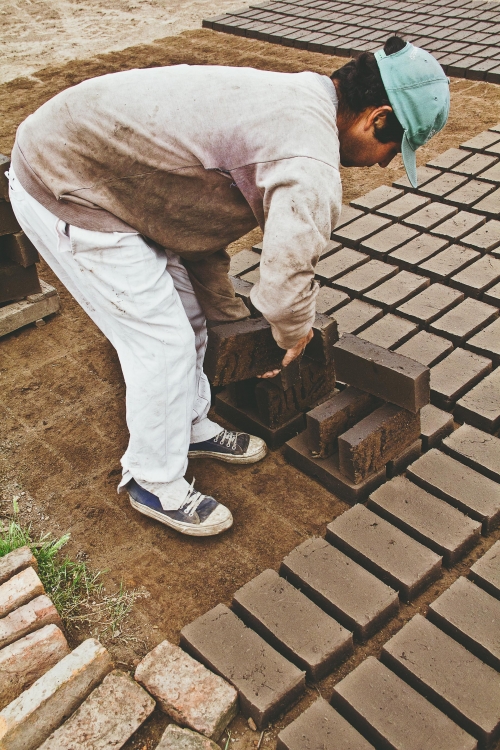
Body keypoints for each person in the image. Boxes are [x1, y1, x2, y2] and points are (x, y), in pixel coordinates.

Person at [8, 35, 449, 536]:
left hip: (115, 173)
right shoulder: (308, 163)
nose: (386, 163)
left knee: (190, 320)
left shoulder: (303, 98)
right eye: (394, 147)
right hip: (68, 181)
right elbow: (286, 285)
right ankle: (152, 479)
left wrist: (231, 324)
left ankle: (190, 426)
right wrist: (290, 337)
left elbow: (200, 230)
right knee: (161, 343)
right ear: (379, 116)